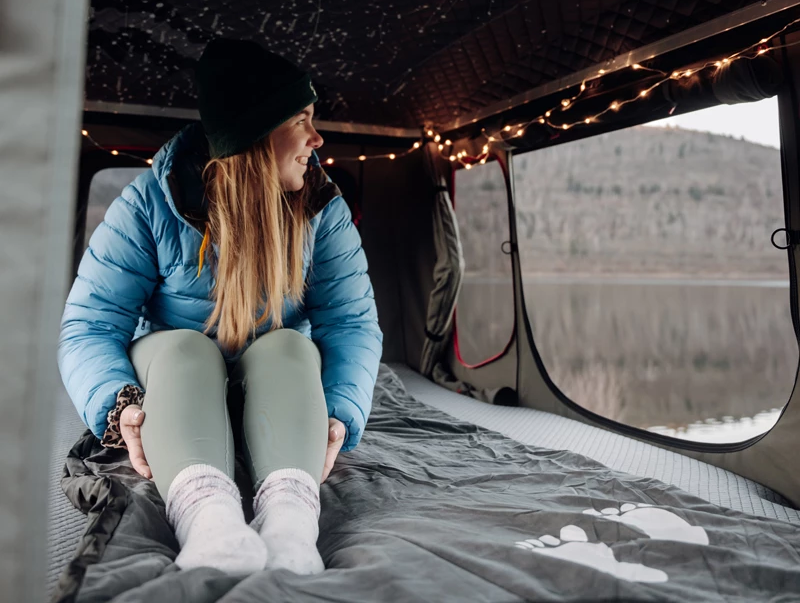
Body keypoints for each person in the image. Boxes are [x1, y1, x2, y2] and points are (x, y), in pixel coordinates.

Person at [57, 38, 383, 576]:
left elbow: (350, 322)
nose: (317, 139)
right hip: (178, 388)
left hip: (278, 391)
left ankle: (289, 527)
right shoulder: (147, 204)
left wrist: (341, 413)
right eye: (300, 120)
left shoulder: (322, 207)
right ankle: (210, 525)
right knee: (187, 349)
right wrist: (119, 407)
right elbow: (89, 325)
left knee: (289, 346)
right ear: (255, 133)